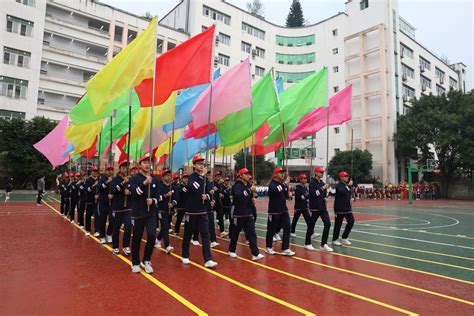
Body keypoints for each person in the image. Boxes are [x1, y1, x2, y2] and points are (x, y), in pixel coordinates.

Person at [181, 155, 218, 268]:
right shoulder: (192, 177)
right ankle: (185, 255)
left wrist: (207, 197)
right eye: (199, 164)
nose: (201, 166)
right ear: (194, 165)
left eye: (202, 164)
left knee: (205, 235)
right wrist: (201, 177)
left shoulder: (205, 180)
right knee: (188, 234)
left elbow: (208, 192)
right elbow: (193, 186)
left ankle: (208, 259)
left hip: (202, 211)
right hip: (191, 211)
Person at [130, 154, 158, 274]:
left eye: (148, 162)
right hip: (138, 213)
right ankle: (135, 262)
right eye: (144, 162)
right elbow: (135, 194)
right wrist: (144, 183)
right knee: (137, 238)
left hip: (150, 213)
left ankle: (146, 260)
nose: (147, 164)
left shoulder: (155, 179)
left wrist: (153, 200)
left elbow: (158, 196)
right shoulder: (135, 179)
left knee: (152, 236)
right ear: (140, 165)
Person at [228, 168, 264, 261]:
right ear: (240, 176)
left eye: (249, 174)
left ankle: (255, 253)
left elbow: (252, 195)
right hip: (238, 214)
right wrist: (249, 190)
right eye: (246, 174)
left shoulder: (248, 185)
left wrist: (254, 196)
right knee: (235, 233)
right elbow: (239, 196)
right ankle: (231, 250)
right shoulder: (236, 186)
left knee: (252, 233)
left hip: (248, 213)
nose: (249, 176)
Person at [265, 167, 295, 256]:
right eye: (280, 172)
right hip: (274, 211)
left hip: (283, 210)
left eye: (283, 173)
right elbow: (276, 190)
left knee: (287, 227)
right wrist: (285, 184)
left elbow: (286, 196)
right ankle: (268, 247)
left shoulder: (283, 185)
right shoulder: (272, 184)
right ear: (275, 174)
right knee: (271, 229)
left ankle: (285, 248)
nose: (283, 174)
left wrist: (290, 195)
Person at [308, 166, 333, 252]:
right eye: (320, 172)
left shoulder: (322, 182)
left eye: (323, 172)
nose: (322, 173)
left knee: (328, 224)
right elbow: (314, 194)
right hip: (315, 207)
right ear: (316, 173)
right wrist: (322, 188)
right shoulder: (312, 183)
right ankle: (307, 243)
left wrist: (325, 196)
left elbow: (322, 195)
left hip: (322, 207)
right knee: (311, 226)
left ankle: (323, 244)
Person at [110, 160, 132, 256]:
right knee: (116, 228)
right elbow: (113, 191)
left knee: (128, 226)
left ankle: (126, 245)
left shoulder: (131, 179)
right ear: (120, 169)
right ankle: (115, 246)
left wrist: (130, 192)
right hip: (118, 207)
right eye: (123, 168)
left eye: (127, 168)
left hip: (128, 208)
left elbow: (134, 191)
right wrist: (123, 183)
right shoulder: (115, 179)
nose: (125, 169)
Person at [154, 169, 176, 254]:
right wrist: (165, 195)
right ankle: (167, 246)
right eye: (167, 175)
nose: (169, 177)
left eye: (170, 175)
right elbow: (157, 198)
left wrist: (173, 204)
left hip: (169, 210)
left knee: (164, 227)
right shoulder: (159, 186)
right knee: (165, 226)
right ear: (162, 177)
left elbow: (176, 198)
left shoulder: (173, 187)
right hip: (160, 209)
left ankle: (158, 239)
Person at [332, 171, 355, 246]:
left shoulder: (347, 186)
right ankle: (335, 239)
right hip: (339, 208)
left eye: (347, 176)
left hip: (347, 208)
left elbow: (351, 194)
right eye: (345, 176)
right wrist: (349, 185)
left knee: (351, 221)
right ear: (341, 178)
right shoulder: (339, 185)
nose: (347, 177)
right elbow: (342, 191)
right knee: (338, 224)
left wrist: (353, 199)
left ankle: (344, 237)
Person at [97, 165, 114, 244]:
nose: (110, 171)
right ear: (105, 171)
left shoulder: (114, 179)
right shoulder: (102, 179)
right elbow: (99, 188)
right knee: (102, 220)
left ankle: (109, 234)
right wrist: (107, 182)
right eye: (108, 170)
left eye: (111, 170)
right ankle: (102, 236)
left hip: (112, 204)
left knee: (112, 219)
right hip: (103, 203)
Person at [211, 171, 228, 238]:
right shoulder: (212, 184)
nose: (219, 177)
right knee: (210, 218)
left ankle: (222, 231)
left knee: (221, 216)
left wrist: (222, 195)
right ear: (215, 177)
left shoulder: (220, 185)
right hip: (213, 202)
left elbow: (221, 193)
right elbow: (214, 193)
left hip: (219, 203)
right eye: (217, 176)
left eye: (219, 176)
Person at [84, 166, 99, 237]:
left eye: (96, 171)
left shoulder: (99, 179)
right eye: (94, 171)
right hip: (90, 200)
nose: (95, 172)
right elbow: (87, 190)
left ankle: (97, 230)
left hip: (97, 201)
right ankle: (87, 229)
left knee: (97, 215)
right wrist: (94, 185)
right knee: (88, 216)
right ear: (91, 172)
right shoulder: (88, 180)